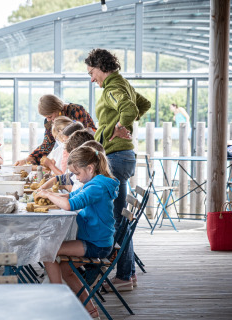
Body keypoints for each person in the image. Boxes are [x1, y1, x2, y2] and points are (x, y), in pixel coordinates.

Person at [85, 48, 151, 291]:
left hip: (114, 154)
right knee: (120, 216)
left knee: (114, 220)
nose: (92, 78)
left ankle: (122, 276)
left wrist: (119, 127)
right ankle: (127, 274)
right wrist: (122, 126)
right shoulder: (122, 84)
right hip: (123, 155)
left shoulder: (112, 87)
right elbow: (143, 103)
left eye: (92, 72)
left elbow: (131, 109)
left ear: (102, 67)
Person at [36, 146, 118, 319]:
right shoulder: (96, 182)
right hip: (98, 240)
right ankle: (91, 310)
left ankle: (57, 300)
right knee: (66, 269)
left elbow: (68, 205)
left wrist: (46, 193)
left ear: (90, 168)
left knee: (46, 249)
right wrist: (50, 194)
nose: (76, 178)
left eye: (78, 173)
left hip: (97, 244)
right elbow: (70, 198)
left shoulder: (97, 187)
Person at [14, 94, 96, 166]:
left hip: (90, 148)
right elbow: (47, 145)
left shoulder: (76, 110)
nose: (48, 120)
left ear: (57, 108)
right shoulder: (49, 121)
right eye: (46, 117)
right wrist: (27, 160)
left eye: (50, 116)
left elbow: (81, 138)